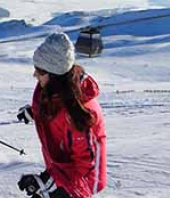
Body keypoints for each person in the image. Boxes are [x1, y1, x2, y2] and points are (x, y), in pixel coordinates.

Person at [17, 32, 107, 198]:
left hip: (79, 184)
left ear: (54, 74)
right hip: (62, 174)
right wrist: (36, 113)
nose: (34, 74)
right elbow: (55, 108)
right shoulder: (55, 91)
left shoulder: (79, 113)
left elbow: (85, 168)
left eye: (39, 71)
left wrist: (50, 181)